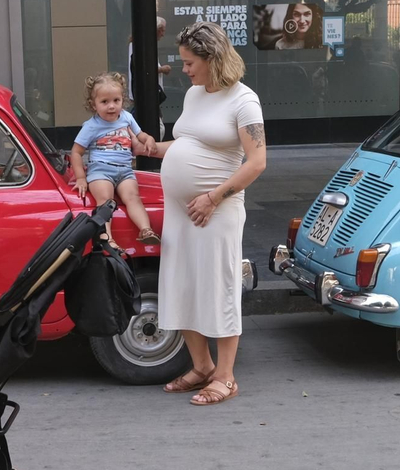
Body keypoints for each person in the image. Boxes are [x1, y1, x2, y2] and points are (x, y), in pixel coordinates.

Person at [135, 21, 267, 406]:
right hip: (182, 210)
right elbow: (187, 143)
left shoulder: (244, 101)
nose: (185, 69)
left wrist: (213, 197)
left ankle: (225, 377)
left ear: (213, 58)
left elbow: (257, 162)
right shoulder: (195, 94)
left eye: (191, 62)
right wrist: (151, 148)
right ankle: (202, 366)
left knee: (217, 287)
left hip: (217, 210)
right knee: (182, 284)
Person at [70, 72, 159, 245]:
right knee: (105, 200)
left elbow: (140, 134)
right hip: (100, 169)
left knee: (133, 197)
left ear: (122, 100)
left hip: (125, 170)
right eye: (104, 102)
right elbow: (76, 152)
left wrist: (148, 139)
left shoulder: (126, 117)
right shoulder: (91, 126)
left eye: (116, 101)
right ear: (93, 104)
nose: (111, 106)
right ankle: (107, 237)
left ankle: (145, 229)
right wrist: (81, 177)